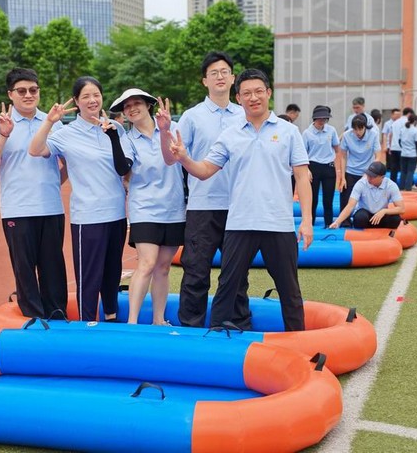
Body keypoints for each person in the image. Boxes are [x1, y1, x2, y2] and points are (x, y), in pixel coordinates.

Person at [164, 68, 313, 332]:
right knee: (228, 285)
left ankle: (299, 341)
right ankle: (217, 337)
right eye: (247, 93)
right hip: (239, 223)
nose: (253, 97)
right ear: (239, 97)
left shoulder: (289, 132)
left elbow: (302, 177)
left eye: (258, 91)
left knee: (289, 289)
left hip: (278, 223)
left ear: (268, 93)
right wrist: (184, 158)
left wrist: (307, 221)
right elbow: (205, 170)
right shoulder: (231, 134)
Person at [159, 51, 250, 329]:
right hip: (202, 206)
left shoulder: (245, 114)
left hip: (238, 206)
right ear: (204, 81)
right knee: (196, 271)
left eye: (224, 72)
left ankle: (237, 326)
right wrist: (164, 131)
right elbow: (171, 159)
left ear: (233, 78)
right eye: (213, 73)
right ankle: (191, 327)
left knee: (237, 274)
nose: (220, 77)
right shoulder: (192, 117)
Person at [29, 76, 130, 322]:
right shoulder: (66, 133)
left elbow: (124, 166)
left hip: (117, 213)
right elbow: (35, 149)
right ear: (76, 101)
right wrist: (50, 122)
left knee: (112, 274)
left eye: (96, 95)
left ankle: (111, 318)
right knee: (89, 278)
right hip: (88, 216)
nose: (92, 100)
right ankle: (87, 325)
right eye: (86, 96)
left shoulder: (115, 129)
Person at [0, 67, 68, 319]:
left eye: (33, 90)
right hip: (17, 210)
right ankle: (34, 321)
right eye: (21, 91)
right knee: (24, 270)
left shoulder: (54, 122)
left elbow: (69, 163)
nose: (28, 95)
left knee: (53, 268)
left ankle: (57, 316)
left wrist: (53, 183)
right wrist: (3, 135)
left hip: (50, 208)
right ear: (11, 94)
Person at [108, 89, 185, 325]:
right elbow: (124, 167)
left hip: (173, 208)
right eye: (127, 106)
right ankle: (132, 321)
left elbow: (180, 160)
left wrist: (165, 129)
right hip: (144, 208)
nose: (132, 108)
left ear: (148, 105)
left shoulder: (173, 129)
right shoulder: (128, 139)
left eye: (137, 103)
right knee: (147, 263)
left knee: (163, 267)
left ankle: (158, 319)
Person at [330, 161, 405, 229]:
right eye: (368, 175)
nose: (369, 178)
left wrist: (384, 211)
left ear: (382, 177)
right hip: (366, 215)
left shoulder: (391, 185)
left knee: (395, 219)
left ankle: (385, 234)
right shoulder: (361, 183)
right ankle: (365, 233)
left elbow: (401, 209)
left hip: (380, 216)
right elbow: (350, 206)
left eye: (373, 176)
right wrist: (337, 222)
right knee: (360, 218)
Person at [338, 113, 381, 227]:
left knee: (369, 197)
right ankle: (345, 222)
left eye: (360, 129)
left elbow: (378, 156)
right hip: (350, 171)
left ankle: (371, 220)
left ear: (365, 127)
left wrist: (369, 173)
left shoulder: (373, 135)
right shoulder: (347, 135)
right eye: (355, 129)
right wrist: (342, 177)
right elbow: (343, 156)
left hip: (368, 171)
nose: (357, 132)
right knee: (346, 197)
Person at [301, 105, 341, 226]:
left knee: (328, 198)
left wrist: (338, 169)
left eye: (325, 118)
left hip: (328, 166)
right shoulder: (307, 133)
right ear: (314, 118)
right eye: (320, 118)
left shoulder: (331, 130)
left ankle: (328, 223)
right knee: (312, 198)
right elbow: (303, 153)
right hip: (313, 166)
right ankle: (310, 223)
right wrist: (307, 170)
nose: (322, 120)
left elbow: (337, 149)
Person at [389, 107, 415, 185]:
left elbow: (391, 135)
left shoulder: (395, 122)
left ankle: (392, 184)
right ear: (409, 114)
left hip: (394, 147)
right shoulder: (408, 123)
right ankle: (407, 185)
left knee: (393, 168)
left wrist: (390, 147)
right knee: (405, 169)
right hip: (403, 148)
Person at [399, 113, 417, 191]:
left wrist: (404, 148)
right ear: (415, 121)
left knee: (403, 171)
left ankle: (401, 187)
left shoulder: (402, 129)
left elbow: (399, 141)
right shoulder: (415, 130)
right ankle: (408, 188)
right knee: (410, 171)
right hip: (413, 154)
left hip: (403, 154)